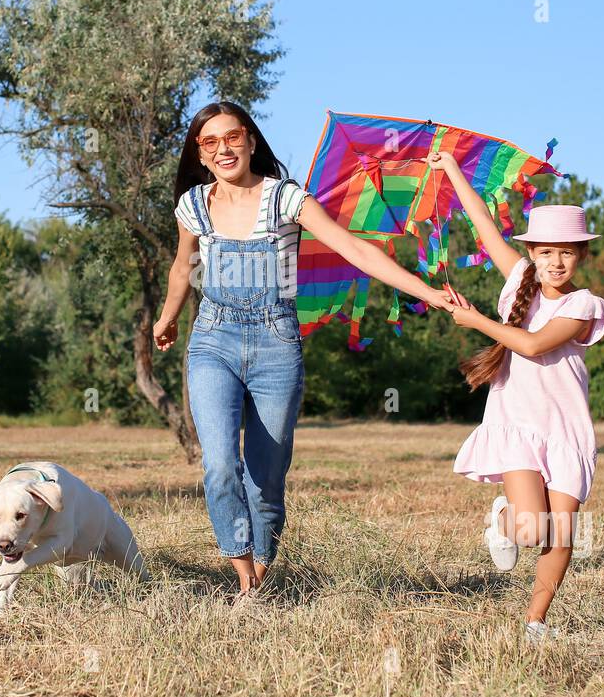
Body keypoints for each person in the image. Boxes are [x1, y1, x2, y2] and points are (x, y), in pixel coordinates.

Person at [154, 102, 463, 601]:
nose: (223, 149)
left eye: (232, 137)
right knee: (219, 464)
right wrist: (168, 317)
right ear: (201, 155)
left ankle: (262, 567)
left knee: (266, 477)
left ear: (251, 141)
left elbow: (355, 249)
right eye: (209, 143)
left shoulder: (286, 199)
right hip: (213, 339)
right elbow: (180, 266)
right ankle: (245, 582)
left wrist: (427, 292)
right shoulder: (192, 205)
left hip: (277, 343)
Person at [427, 149, 604, 643]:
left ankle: (536, 621)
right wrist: (451, 172)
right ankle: (504, 518)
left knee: (562, 532)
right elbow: (485, 227)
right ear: (532, 252)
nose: (556, 261)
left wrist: (477, 321)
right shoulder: (519, 282)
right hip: (517, 423)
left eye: (567, 251)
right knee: (532, 531)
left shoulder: (583, 305)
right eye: (546, 251)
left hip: (566, 429)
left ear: (581, 255)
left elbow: (531, 345)